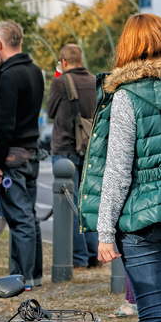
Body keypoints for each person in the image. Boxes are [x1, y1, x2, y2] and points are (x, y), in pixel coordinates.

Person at [80, 12, 161, 322]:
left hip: (143, 219)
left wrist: (105, 232)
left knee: (154, 314)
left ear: (126, 47)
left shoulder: (127, 97)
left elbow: (117, 172)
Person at [0, 20, 44, 290]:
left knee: (20, 220)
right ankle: (33, 275)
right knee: (28, 217)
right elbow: (7, 99)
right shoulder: (33, 71)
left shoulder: (11, 76)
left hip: (12, 157)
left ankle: (23, 279)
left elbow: (4, 123)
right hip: (31, 152)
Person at [47, 43, 98, 269]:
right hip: (89, 148)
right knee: (87, 202)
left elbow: (50, 111)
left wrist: (58, 75)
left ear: (64, 61)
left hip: (65, 148)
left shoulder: (60, 82)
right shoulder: (96, 80)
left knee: (69, 204)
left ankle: (78, 257)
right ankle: (93, 251)